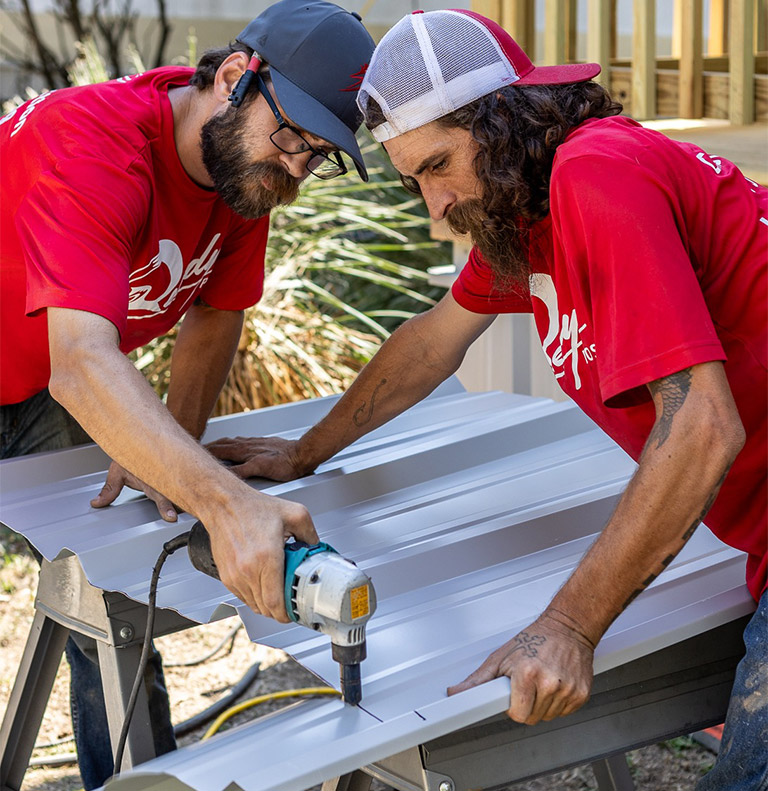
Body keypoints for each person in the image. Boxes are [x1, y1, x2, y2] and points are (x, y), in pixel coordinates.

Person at [207, 9, 767, 790]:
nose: (433, 206)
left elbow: (702, 426)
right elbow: (434, 339)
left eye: (437, 165)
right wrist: (305, 450)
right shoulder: (522, 218)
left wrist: (568, 625)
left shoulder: (597, 173)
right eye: (414, 181)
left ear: (501, 122)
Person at [0, 0, 374, 786]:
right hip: (56, 366)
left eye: (319, 154)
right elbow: (81, 362)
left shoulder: (244, 170)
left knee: (108, 588)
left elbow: (215, 313)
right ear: (236, 77)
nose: (298, 167)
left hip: (29, 380)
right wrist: (227, 504)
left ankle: (136, 778)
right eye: (292, 136)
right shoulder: (91, 139)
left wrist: (170, 453)